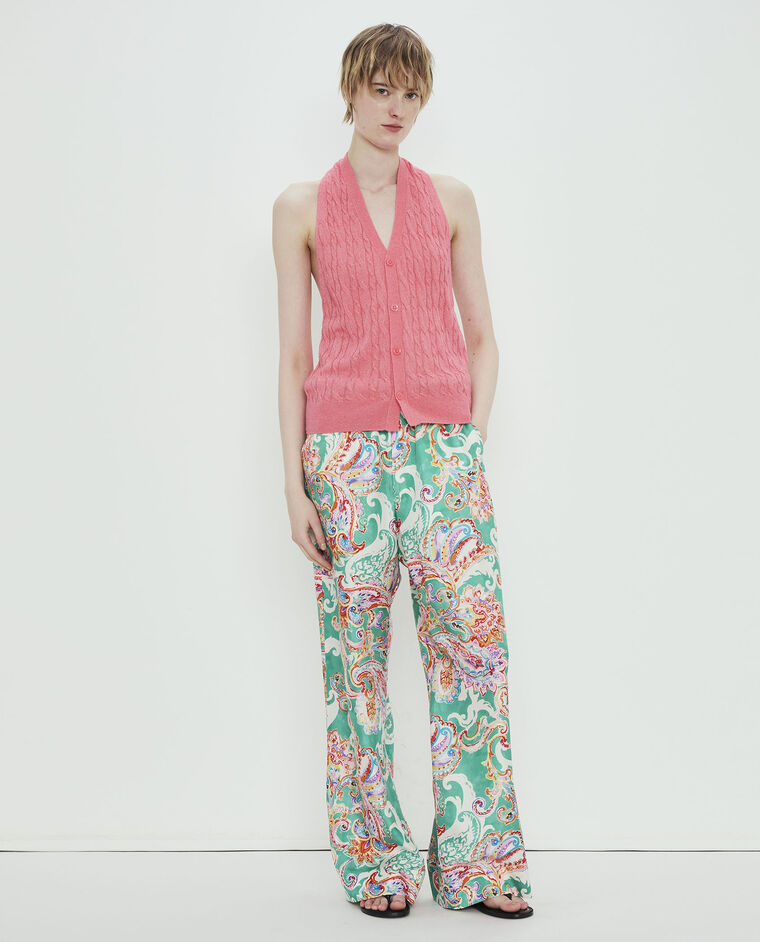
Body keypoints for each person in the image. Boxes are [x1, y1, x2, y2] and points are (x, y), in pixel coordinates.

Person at [273, 23, 534, 920]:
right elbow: (292, 356)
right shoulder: (301, 208)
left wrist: (467, 441)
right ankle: (373, 860)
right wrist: (292, 485)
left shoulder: (451, 200)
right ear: (350, 91)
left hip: (441, 454)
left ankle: (479, 864)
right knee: (355, 668)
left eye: (411, 93)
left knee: (472, 655)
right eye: (382, 89)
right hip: (342, 461)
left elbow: (484, 338)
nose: (397, 107)